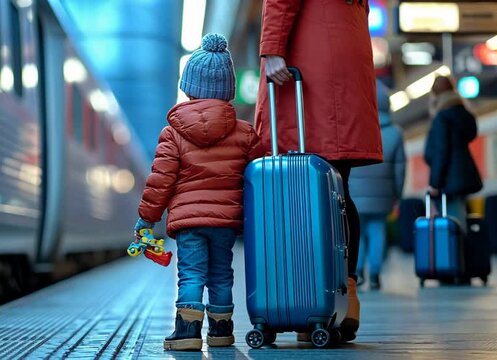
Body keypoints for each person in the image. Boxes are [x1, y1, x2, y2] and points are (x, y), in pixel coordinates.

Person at [255, 0, 383, 342]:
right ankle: (344, 299)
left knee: (303, 191)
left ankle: (309, 301)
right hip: (346, 64)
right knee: (337, 188)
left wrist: (272, 49)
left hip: (312, 67)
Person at [134, 33, 264, 351]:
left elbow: (160, 180)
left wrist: (146, 220)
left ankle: (188, 331)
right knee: (221, 272)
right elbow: (257, 179)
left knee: (191, 273)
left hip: (189, 221)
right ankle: (221, 330)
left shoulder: (173, 132)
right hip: (226, 221)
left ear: (189, 86)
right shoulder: (246, 134)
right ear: (228, 88)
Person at [352, 80, 406, 290]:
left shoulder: (355, 129)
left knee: (358, 231)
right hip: (384, 194)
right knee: (377, 230)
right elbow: (400, 169)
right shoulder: (395, 133)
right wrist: (397, 194)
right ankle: (375, 274)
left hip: (355, 194)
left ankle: (358, 272)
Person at [424, 76, 483, 223]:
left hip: (448, 180)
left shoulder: (442, 118)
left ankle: (457, 246)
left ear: (435, 96)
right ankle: (462, 244)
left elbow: (441, 151)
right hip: (463, 176)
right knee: (459, 216)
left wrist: (435, 183)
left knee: (453, 221)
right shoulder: (465, 115)